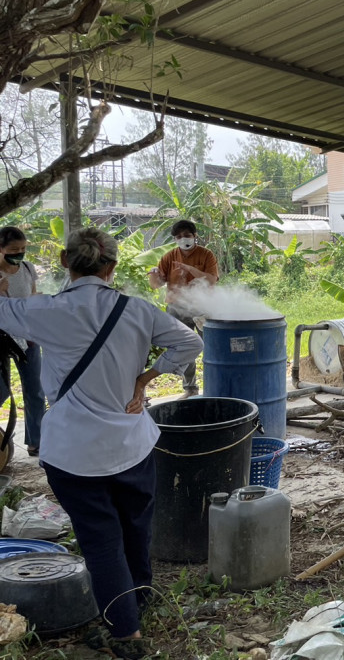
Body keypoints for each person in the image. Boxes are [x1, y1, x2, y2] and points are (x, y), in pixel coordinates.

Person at [0, 228, 202, 660]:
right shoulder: (137, 310)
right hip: (133, 444)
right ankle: (139, 599)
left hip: (73, 453)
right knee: (135, 528)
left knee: (100, 542)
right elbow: (191, 341)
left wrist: (3, 277)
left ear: (64, 261)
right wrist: (145, 379)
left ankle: (126, 633)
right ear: (112, 266)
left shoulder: (46, 311)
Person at [148, 220, 218, 399]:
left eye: (187, 235)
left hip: (202, 308)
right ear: (174, 239)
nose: (183, 239)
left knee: (212, 347)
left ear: (195, 236)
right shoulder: (169, 257)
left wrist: (189, 269)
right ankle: (190, 388)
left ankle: (216, 385)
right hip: (176, 309)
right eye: (178, 236)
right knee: (184, 348)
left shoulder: (206, 255)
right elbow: (156, 285)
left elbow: (211, 280)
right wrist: (153, 276)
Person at [0, 226, 47, 457]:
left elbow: (32, 294)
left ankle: (36, 441)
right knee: (2, 391)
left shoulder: (27, 268)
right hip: (2, 339)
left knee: (35, 389)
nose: (19, 253)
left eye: (22, 248)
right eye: (13, 250)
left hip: (28, 337)